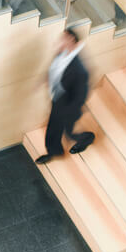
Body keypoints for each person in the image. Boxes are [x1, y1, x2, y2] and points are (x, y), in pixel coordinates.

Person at [35, 29, 94, 164]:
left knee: (68, 132)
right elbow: (55, 70)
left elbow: (81, 95)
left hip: (69, 105)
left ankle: (87, 138)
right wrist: (44, 81)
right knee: (53, 127)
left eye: (64, 38)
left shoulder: (80, 69)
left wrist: (67, 112)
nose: (60, 40)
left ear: (72, 41)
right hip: (59, 98)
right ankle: (54, 152)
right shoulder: (61, 53)